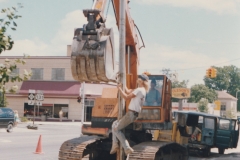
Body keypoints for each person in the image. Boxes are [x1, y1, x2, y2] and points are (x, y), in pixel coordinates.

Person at [110, 74, 149, 155]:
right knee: (114, 124)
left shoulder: (139, 90)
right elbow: (128, 91)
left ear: (141, 81)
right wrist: (122, 83)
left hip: (131, 113)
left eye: (139, 78)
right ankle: (114, 145)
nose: (137, 79)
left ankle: (126, 147)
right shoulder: (142, 90)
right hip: (133, 114)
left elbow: (126, 97)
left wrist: (119, 89)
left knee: (116, 129)